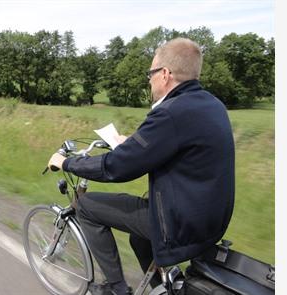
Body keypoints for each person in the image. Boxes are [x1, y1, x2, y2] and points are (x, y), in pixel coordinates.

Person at [48, 37, 235, 295]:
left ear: (165, 74)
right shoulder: (211, 105)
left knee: (86, 206)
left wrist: (68, 162)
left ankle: (116, 289)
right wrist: (132, 143)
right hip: (210, 221)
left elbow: (116, 168)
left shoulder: (170, 112)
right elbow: (174, 147)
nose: (149, 79)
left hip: (178, 224)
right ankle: (167, 288)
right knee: (139, 237)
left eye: (151, 72)